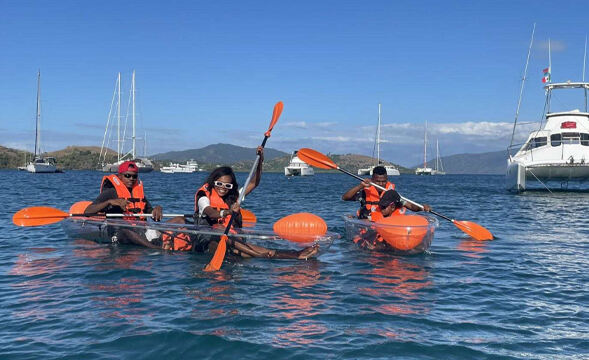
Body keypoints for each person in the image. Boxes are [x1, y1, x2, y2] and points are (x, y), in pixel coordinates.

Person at [194, 146, 319, 259]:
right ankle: (264, 255)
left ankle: (295, 255)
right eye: (219, 184)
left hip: (231, 240)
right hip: (207, 239)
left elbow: (254, 183)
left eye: (227, 185)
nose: (223, 188)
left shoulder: (234, 197)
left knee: (243, 252)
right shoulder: (204, 195)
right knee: (221, 232)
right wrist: (228, 212)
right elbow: (210, 213)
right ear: (213, 182)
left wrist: (260, 162)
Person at [84, 160, 164, 248]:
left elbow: (152, 214)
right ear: (120, 176)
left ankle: (168, 242)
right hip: (118, 232)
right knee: (126, 231)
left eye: (134, 176)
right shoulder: (111, 192)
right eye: (127, 176)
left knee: (179, 220)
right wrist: (109, 202)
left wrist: (157, 209)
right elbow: (87, 211)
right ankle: (156, 248)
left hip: (140, 230)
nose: (131, 179)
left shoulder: (139, 193)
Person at [342, 165, 431, 222]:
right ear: (372, 180)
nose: (381, 184)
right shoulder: (365, 193)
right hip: (368, 226)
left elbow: (411, 206)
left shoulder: (392, 195)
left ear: (387, 179)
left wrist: (422, 207)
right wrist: (360, 186)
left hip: (386, 227)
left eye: (383, 181)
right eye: (377, 181)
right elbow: (345, 197)